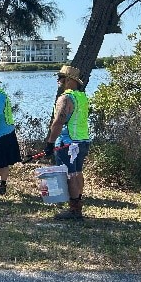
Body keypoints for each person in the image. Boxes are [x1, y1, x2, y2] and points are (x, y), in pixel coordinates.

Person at [44, 65, 90, 220]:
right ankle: (77, 205)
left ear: (70, 80)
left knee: (70, 175)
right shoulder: (82, 97)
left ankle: (74, 210)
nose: (58, 81)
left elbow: (58, 121)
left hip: (67, 142)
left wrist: (50, 143)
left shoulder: (66, 98)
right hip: (82, 141)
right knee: (77, 173)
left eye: (61, 78)